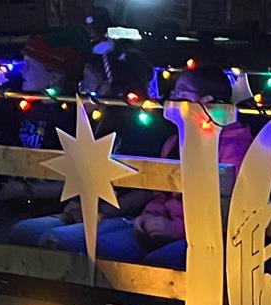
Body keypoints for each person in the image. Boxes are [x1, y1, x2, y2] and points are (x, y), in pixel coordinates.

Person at [25, 65, 250, 266]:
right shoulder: (173, 143)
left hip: (206, 237)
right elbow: (161, 195)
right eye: (173, 92)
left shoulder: (232, 148)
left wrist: (176, 229)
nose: (172, 99)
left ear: (207, 102)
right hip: (159, 226)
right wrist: (149, 215)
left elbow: (230, 211)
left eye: (181, 93)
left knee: (156, 263)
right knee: (82, 247)